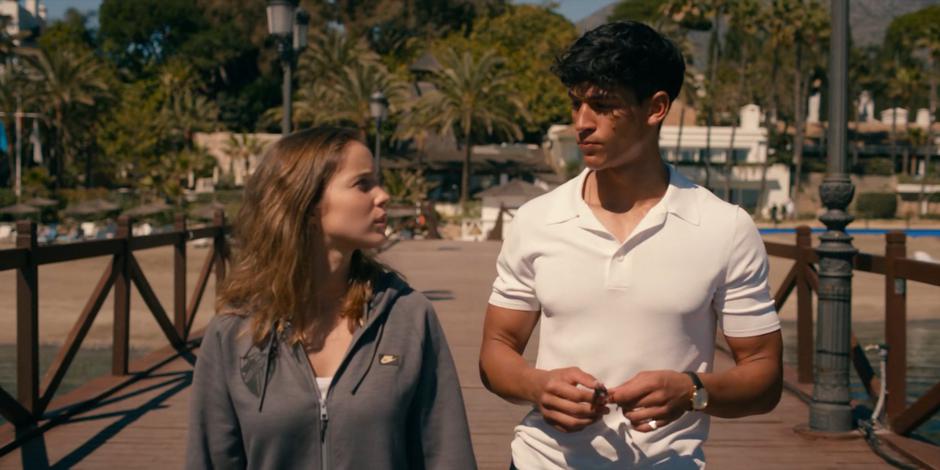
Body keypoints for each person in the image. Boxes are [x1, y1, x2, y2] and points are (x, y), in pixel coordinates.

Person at [479, 22, 783, 469]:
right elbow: (496, 348)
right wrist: (535, 385)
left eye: (603, 106)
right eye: (577, 104)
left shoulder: (725, 227)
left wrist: (693, 390)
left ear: (656, 108)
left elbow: (765, 374)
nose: (581, 123)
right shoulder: (536, 220)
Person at [187, 127, 477, 470]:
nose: (382, 195)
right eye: (363, 184)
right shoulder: (233, 332)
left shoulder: (409, 316)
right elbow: (211, 460)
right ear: (308, 203)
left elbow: (447, 453)